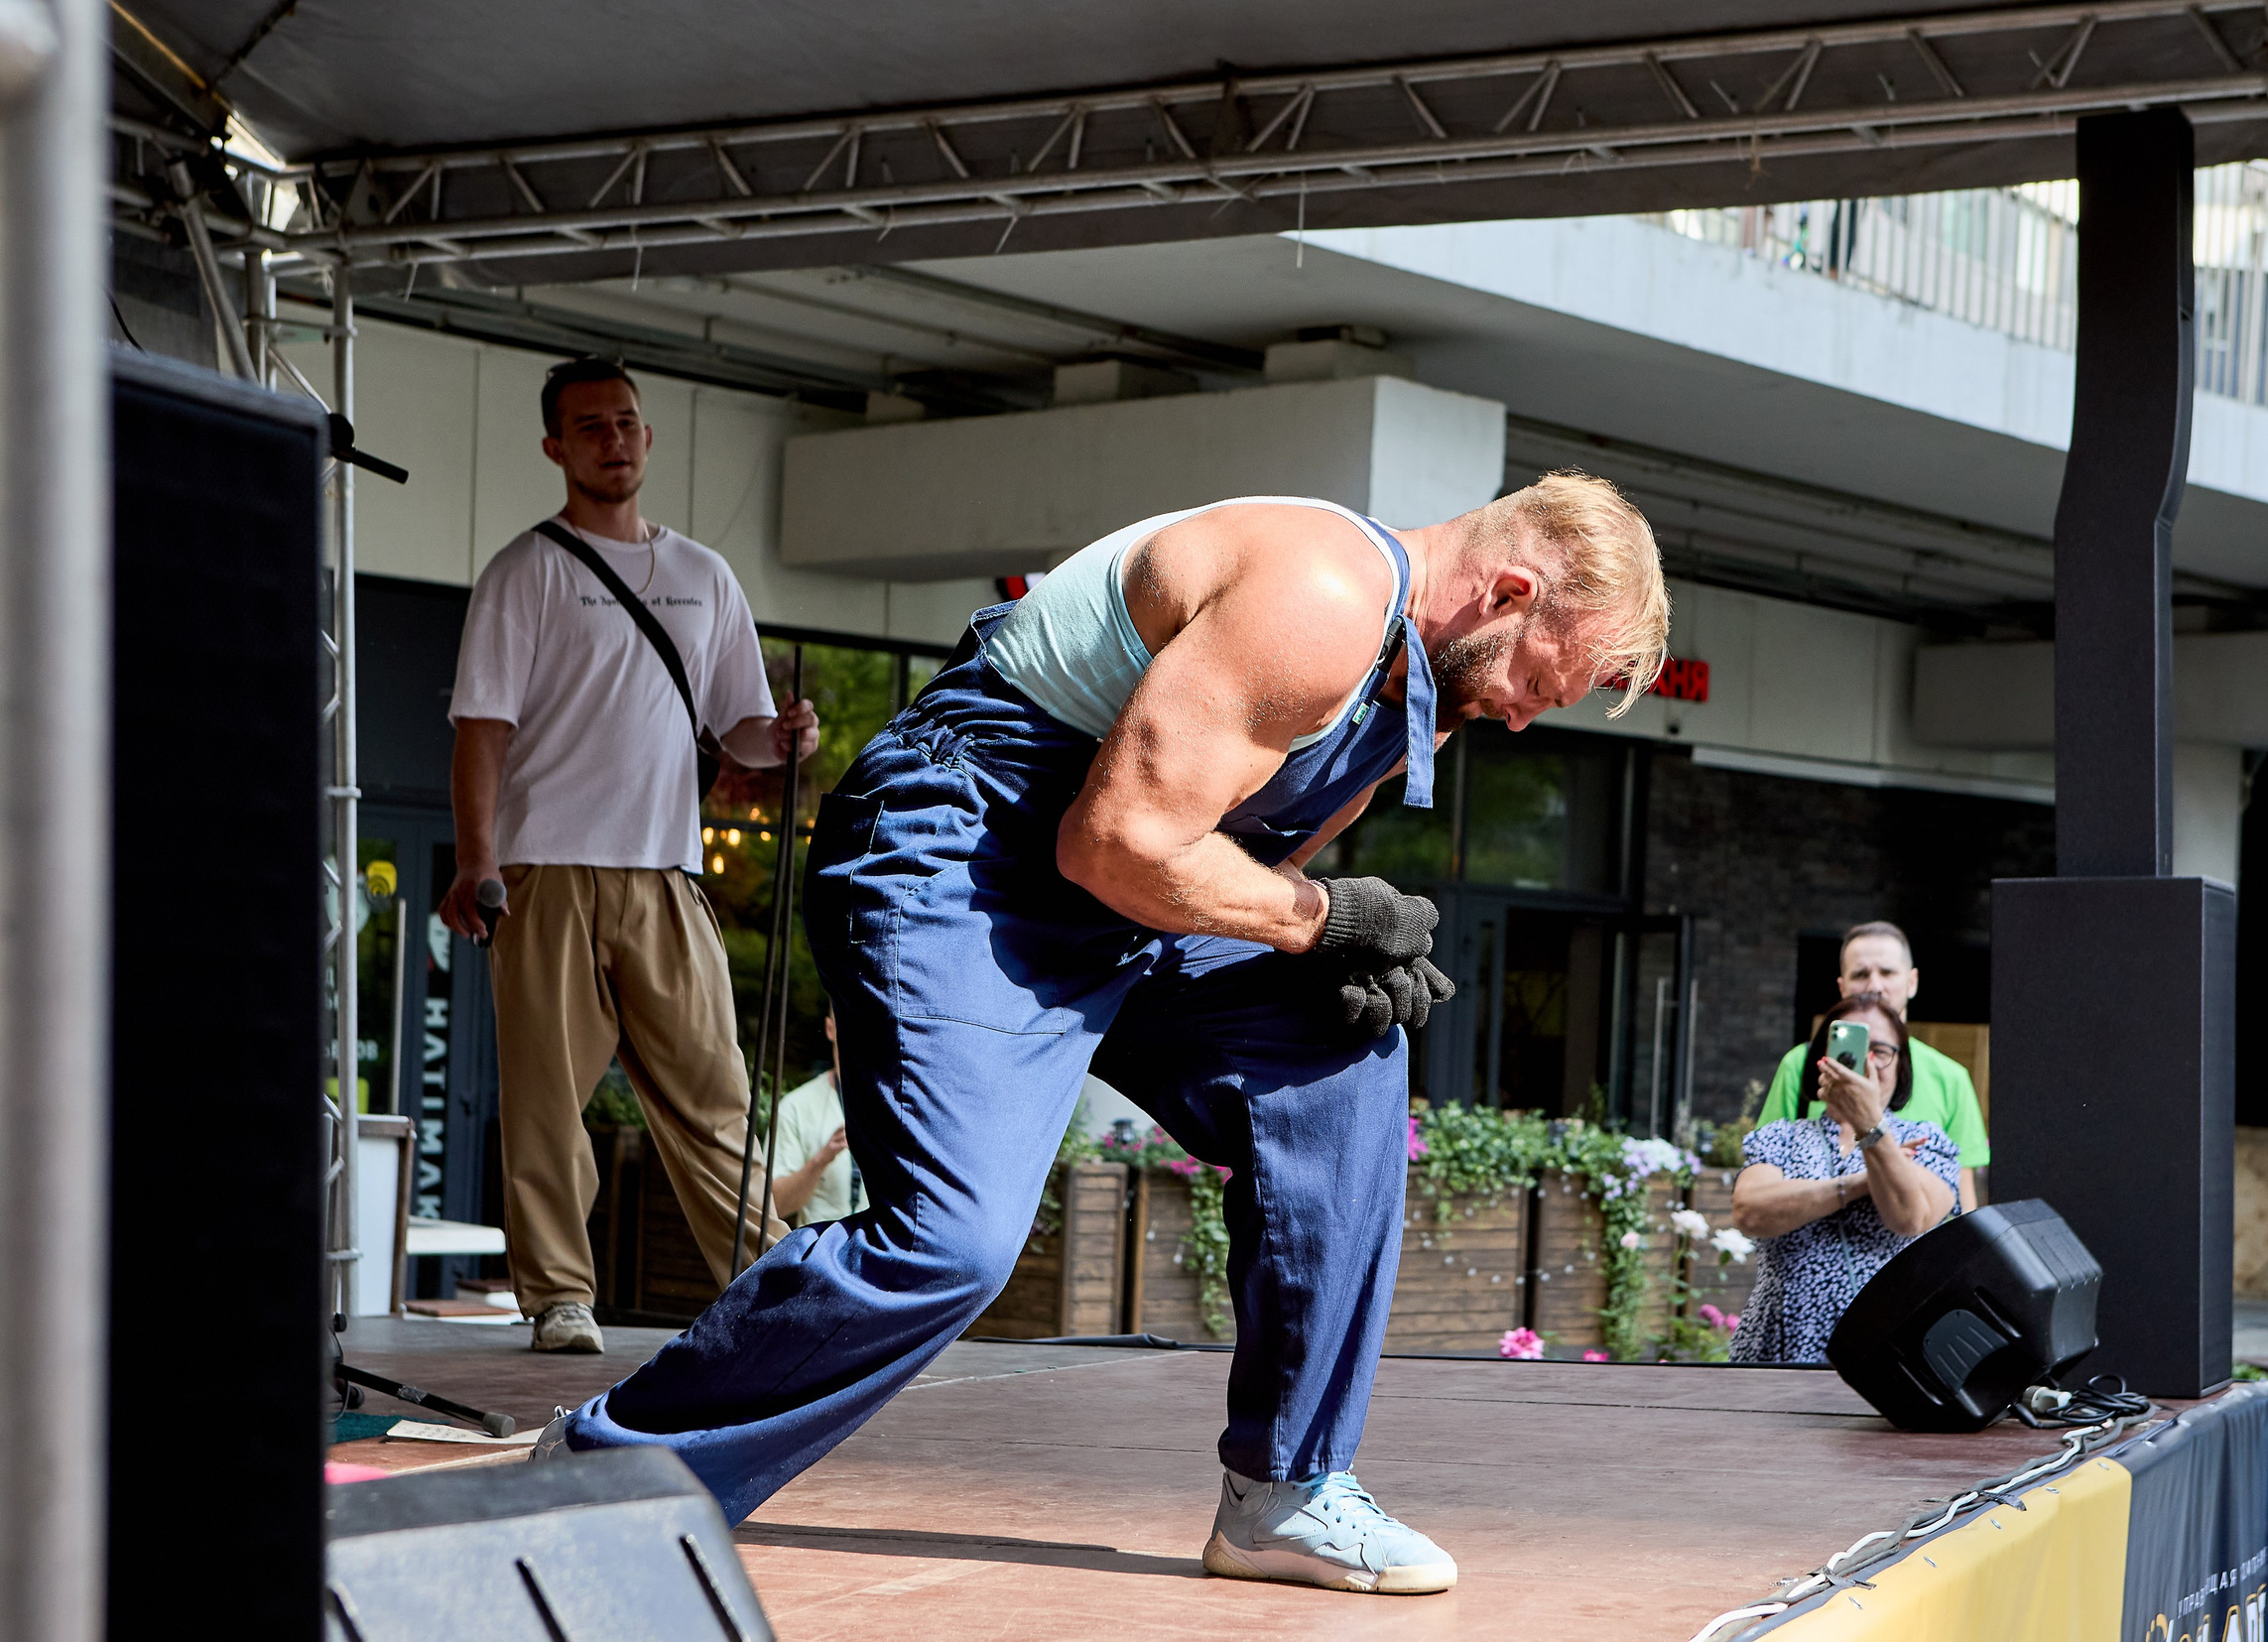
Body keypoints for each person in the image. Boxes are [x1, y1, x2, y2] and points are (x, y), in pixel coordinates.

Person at [540, 474, 1671, 1597]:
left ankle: (1287, 1490)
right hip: (968, 856)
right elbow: (1116, 839)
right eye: (1536, 680)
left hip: (1121, 898)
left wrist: (1330, 951)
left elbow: (1227, 861)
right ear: (1508, 590)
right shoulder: (1320, 596)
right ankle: (602, 1471)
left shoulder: (1411, 690)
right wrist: (1323, 921)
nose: (1524, 714)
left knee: (1340, 1052)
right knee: (953, 1244)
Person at [439, 357, 820, 1356]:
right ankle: (560, 1297)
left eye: (626, 422)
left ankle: (767, 1283)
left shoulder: (704, 576)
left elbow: (737, 727)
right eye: (589, 426)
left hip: (665, 870)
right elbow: (480, 727)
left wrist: (782, 742)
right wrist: (477, 858)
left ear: (648, 438)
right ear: (555, 447)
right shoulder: (526, 570)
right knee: (544, 1099)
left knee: (714, 1095)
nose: (612, 439)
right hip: (546, 867)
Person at [1729, 993, 1959, 1363]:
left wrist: (1870, 1125)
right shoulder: (1780, 1137)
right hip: (1778, 1351)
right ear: (1821, 1061)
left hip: (1886, 1353)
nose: (1865, 1063)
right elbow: (1750, 1212)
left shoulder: (1927, 1140)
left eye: (1881, 1050)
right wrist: (1860, 1183)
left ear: (1901, 1065)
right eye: (1851, 1046)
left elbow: (1910, 1217)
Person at [1754, 921, 1989, 1209]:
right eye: (1861, 974)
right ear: (1842, 986)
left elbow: (1963, 1204)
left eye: (1888, 972)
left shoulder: (1950, 1078)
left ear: (1912, 982)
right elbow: (1762, 1180)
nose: (1875, 985)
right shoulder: (1801, 1065)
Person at [767, 1005, 867, 1225]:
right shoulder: (795, 1107)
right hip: (821, 1255)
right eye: (846, 1018)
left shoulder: (895, 1106)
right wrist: (822, 1159)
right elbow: (774, 1206)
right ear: (830, 1029)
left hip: (880, 1257)